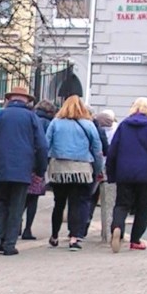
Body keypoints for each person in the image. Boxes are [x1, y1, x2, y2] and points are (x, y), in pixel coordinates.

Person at [0, 86, 48, 256]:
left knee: (2, 202)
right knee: (16, 206)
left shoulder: (0, 115)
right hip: (23, 169)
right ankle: (9, 243)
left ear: (10, 99)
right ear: (26, 100)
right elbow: (41, 146)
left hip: (1, 168)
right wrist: (40, 171)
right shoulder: (32, 117)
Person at [107, 97, 147, 252]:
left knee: (121, 205)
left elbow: (112, 151)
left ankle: (117, 228)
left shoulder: (123, 126)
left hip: (124, 173)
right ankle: (135, 240)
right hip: (144, 175)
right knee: (142, 208)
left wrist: (111, 174)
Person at [45, 95, 103, 251]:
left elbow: (46, 144)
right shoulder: (88, 124)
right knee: (78, 203)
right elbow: (97, 150)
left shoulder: (55, 123)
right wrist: (99, 170)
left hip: (59, 169)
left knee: (59, 203)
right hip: (82, 169)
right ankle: (74, 237)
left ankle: (54, 235)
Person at [21, 99, 55, 240]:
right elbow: (45, 146)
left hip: (24, 163)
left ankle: (16, 225)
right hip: (37, 164)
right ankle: (27, 229)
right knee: (33, 199)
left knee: (21, 197)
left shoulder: (29, 119)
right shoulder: (48, 123)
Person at [95, 110, 118, 241]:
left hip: (94, 165)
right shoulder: (118, 129)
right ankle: (108, 233)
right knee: (110, 201)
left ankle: (79, 231)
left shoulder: (95, 128)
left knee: (87, 199)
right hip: (110, 168)